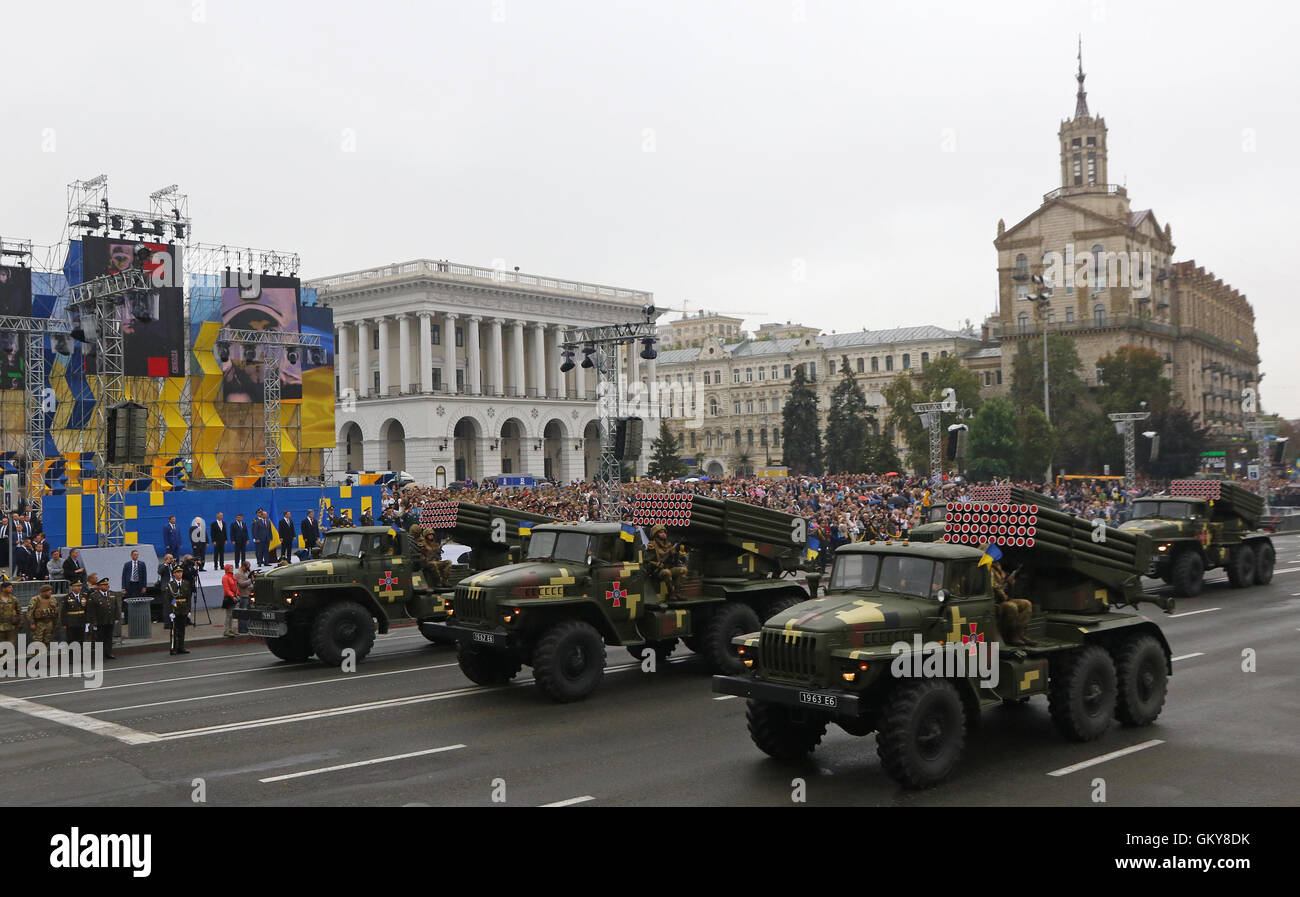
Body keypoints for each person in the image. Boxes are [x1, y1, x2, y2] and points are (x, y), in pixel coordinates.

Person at [991, 562, 1036, 647]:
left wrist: (1010, 583)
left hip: (1003, 599)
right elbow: (994, 586)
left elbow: (1006, 588)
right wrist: (1003, 595)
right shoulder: (986, 569)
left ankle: (1021, 634)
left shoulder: (999, 569)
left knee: (1027, 604)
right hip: (993, 602)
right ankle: (1011, 636)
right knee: (1012, 607)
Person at [645, 525, 688, 600]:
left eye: (664, 532)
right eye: (661, 532)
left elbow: (675, 561)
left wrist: (674, 554)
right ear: (656, 534)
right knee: (666, 572)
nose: (663, 534)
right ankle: (671, 594)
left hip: (669, 567)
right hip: (658, 571)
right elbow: (648, 561)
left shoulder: (669, 545)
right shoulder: (652, 545)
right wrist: (657, 564)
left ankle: (677, 593)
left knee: (683, 570)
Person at [87, 577, 118, 660]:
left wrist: (116, 618)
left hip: (110, 619)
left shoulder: (112, 594)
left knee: (109, 637)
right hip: (100, 620)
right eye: (104, 585)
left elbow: (116, 607)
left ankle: (109, 653)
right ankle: (99, 654)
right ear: (100, 586)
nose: (106, 586)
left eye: (107, 584)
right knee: (100, 638)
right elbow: (91, 610)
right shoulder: (94, 596)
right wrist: (93, 621)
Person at [165, 567, 192, 655]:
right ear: (174, 574)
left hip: (183, 608)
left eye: (180, 572)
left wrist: (188, 610)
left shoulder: (186, 583)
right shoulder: (170, 584)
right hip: (175, 609)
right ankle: (174, 648)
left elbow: (188, 598)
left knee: (182, 630)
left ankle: (181, 647)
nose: (179, 574)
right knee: (174, 630)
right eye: (177, 572)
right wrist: (171, 611)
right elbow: (169, 599)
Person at [26, 585, 58, 649]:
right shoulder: (35, 599)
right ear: (43, 592)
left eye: (50, 591)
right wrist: (32, 623)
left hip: (49, 622)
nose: (50, 592)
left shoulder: (53, 599)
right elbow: (30, 612)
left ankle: (45, 654)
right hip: (39, 623)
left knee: (47, 639)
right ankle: (37, 655)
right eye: (48, 591)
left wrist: (56, 623)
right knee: (38, 641)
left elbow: (56, 612)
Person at [61, 581, 89, 647]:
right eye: (77, 586)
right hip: (71, 622)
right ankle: (71, 656)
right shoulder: (67, 597)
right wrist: (64, 623)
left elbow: (87, 609)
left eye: (80, 586)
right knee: (71, 640)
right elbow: (63, 611)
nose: (79, 588)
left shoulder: (84, 596)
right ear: (72, 587)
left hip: (81, 621)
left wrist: (87, 621)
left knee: (81, 639)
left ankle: (79, 655)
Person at [0, 582, 22, 650]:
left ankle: (9, 660)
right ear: (3, 588)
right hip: (0, 627)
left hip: (11, 627)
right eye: (9, 587)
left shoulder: (14, 599)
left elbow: (19, 612)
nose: (11, 589)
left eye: (11, 587)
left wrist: (19, 623)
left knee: (10, 645)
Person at [221, 564, 239, 637]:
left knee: (232, 615)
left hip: (233, 596)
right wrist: (232, 596)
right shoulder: (225, 577)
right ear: (226, 569)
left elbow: (235, 586)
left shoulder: (233, 576)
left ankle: (230, 629)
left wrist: (237, 593)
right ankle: (226, 630)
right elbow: (226, 589)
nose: (231, 569)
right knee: (229, 615)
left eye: (232, 567)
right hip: (228, 598)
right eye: (230, 568)